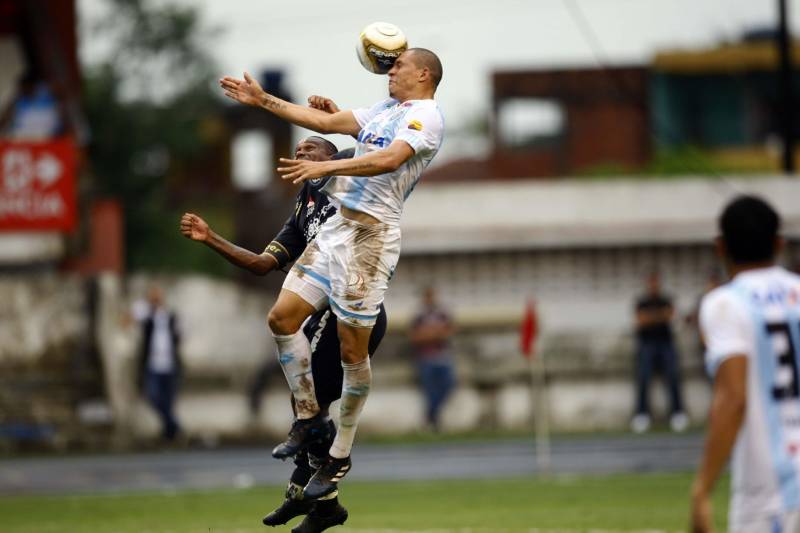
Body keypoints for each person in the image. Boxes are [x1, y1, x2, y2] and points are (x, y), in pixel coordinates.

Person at [219, 47, 444, 499]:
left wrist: (327, 165)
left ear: (423, 73)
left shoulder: (427, 117)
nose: (389, 70)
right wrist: (262, 100)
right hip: (338, 232)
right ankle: (309, 420)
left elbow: (388, 161)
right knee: (281, 318)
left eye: (398, 66)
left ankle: (339, 454)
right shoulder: (383, 111)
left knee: (350, 350)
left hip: (372, 242)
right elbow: (323, 124)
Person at [181, 136, 387, 532]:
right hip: (320, 315)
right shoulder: (301, 211)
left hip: (353, 310)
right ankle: (318, 500)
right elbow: (261, 263)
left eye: (313, 150)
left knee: (311, 410)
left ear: (332, 159)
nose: (302, 154)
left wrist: (338, 121)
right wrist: (210, 238)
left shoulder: (346, 176)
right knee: (305, 407)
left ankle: (320, 485)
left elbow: (374, 150)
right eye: (298, 152)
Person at [691, 195, 800, 533]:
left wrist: (702, 487)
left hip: (770, 493)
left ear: (720, 247)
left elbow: (733, 397)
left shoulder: (725, 303)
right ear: (779, 243)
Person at [630, 271, 689, 434]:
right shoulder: (642, 301)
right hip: (647, 344)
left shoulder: (666, 299)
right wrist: (659, 316)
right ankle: (641, 414)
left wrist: (653, 318)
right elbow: (641, 320)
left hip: (665, 343)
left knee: (673, 377)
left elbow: (670, 317)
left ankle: (677, 413)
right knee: (643, 378)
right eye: (651, 282)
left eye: (656, 282)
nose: (654, 285)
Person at [132, 285, 182, 442]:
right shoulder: (147, 315)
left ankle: (169, 433)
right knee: (153, 396)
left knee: (168, 400)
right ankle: (174, 425)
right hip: (153, 364)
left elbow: (180, 335)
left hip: (169, 364)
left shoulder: (170, 316)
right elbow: (135, 313)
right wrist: (150, 306)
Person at [409, 286, 456, 432]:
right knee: (430, 391)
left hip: (443, 357)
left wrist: (429, 334)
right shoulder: (419, 315)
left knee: (448, 386)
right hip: (426, 358)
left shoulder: (442, 312)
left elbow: (449, 331)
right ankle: (434, 422)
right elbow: (414, 336)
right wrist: (435, 333)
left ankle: (431, 416)